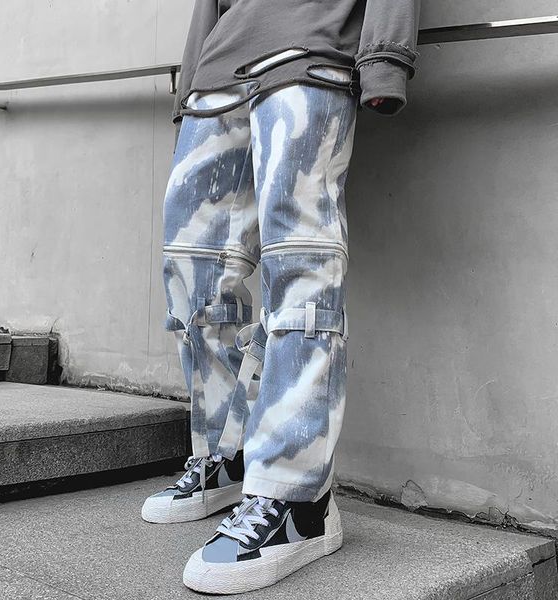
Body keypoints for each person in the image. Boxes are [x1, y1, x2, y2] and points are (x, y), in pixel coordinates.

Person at [142, 0, 420, 593]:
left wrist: (384, 59)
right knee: (193, 273)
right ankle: (227, 456)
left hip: (310, 53)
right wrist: (189, 89)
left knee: (301, 268)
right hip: (217, 75)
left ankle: (299, 498)